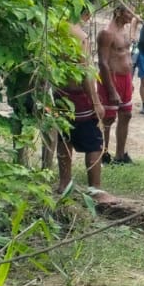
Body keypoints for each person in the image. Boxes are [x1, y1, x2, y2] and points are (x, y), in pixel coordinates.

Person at [56, 22, 104, 193]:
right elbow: (86, 71)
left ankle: (64, 183)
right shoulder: (80, 36)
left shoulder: (54, 30)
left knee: (64, 137)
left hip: (59, 93)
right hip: (78, 94)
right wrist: (96, 101)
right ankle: (95, 189)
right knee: (94, 141)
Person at [96, 5, 137, 165]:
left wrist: (131, 80)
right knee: (108, 119)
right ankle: (104, 153)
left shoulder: (125, 31)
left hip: (125, 78)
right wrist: (111, 90)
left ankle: (120, 155)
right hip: (111, 78)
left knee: (126, 114)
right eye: (128, 12)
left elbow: (127, 56)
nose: (131, 15)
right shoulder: (107, 33)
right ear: (118, 13)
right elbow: (103, 63)